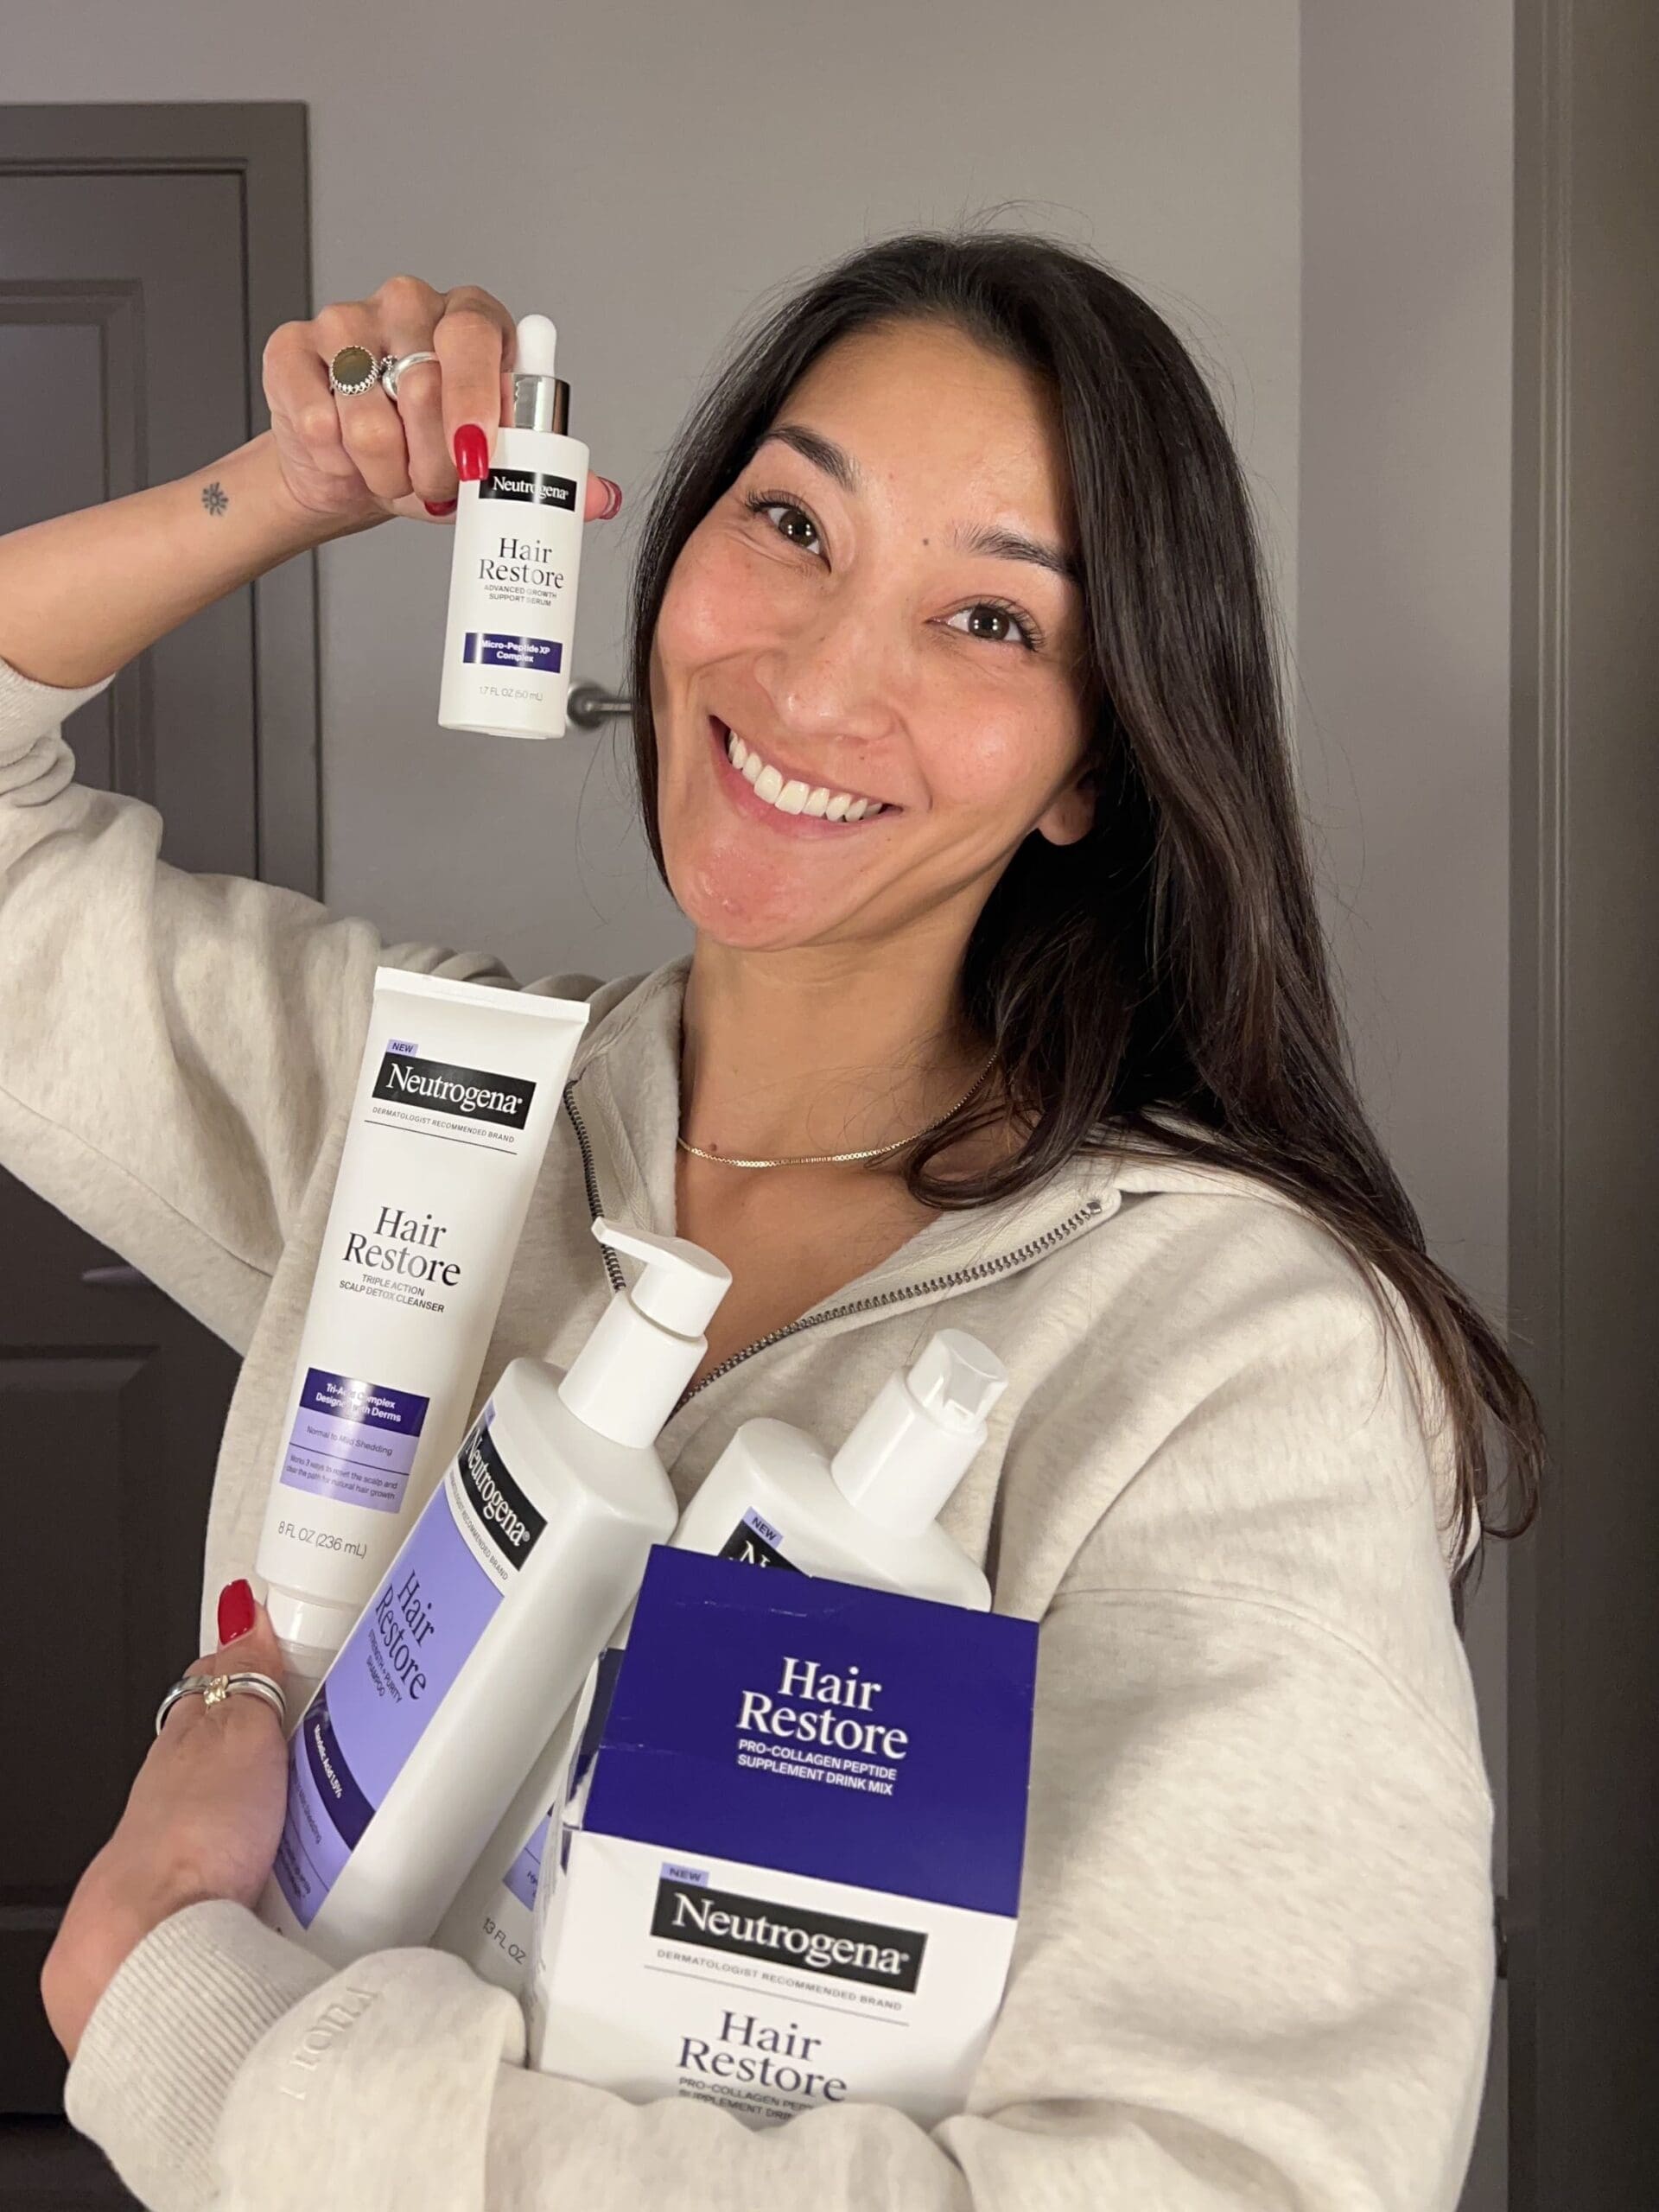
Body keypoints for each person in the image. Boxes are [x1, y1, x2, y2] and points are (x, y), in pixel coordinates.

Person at [3, 234, 1541, 2211]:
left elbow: (1231, 2177)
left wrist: (201, 2029)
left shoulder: (1225, 1350)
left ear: (1098, 760)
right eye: (794, 521)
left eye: (990, 620)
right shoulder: (431, 1103)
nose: (817, 676)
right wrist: (284, 488)